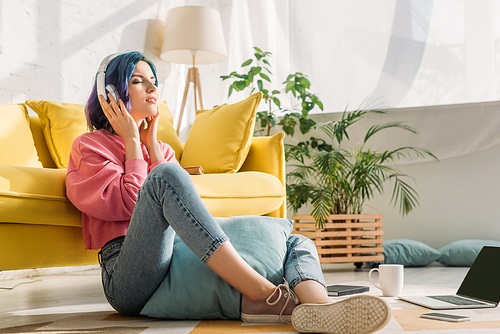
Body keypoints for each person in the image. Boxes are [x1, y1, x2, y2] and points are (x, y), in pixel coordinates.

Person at [66, 51, 391, 334]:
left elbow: (183, 218)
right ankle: (264, 294)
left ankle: (318, 308)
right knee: (167, 175)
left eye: (153, 79)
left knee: (293, 239)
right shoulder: (89, 146)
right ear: (111, 94)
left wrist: (151, 146)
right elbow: (127, 204)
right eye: (139, 81)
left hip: (174, 254)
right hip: (126, 273)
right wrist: (135, 144)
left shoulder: (161, 150)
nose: (152, 87)